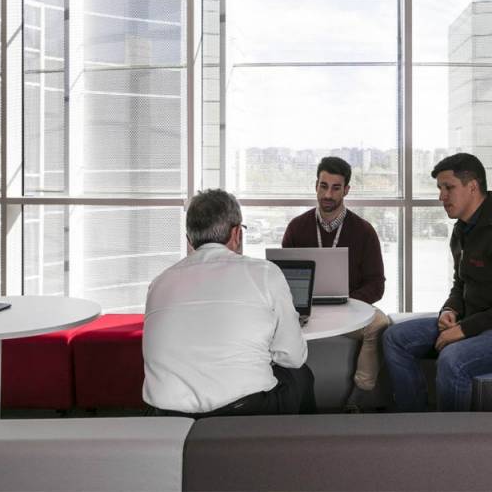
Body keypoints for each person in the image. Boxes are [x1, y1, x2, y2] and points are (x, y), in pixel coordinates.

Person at [382, 153, 492, 411]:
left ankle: (451, 441)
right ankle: (415, 421)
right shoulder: (462, 228)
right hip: (476, 320)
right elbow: (461, 283)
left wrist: (464, 330)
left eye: (448, 188)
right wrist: (450, 310)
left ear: (472, 186)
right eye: (440, 189)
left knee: (453, 359)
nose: (442, 197)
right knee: (395, 338)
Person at [143, 189, 315, 418]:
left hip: (168, 413)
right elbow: (293, 356)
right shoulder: (265, 273)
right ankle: (300, 449)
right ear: (236, 233)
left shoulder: (159, 283)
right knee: (301, 375)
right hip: (244, 409)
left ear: (189, 240)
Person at [282, 156, 390, 412]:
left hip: (348, 309)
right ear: (316, 185)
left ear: (347, 190)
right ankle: (284, 399)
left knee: (380, 325)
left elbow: (377, 284)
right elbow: (281, 278)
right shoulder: (297, 227)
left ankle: (357, 400)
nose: (327, 194)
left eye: (335, 187)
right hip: (303, 309)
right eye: (323, 185)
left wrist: (347, 301)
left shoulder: (364, 231)